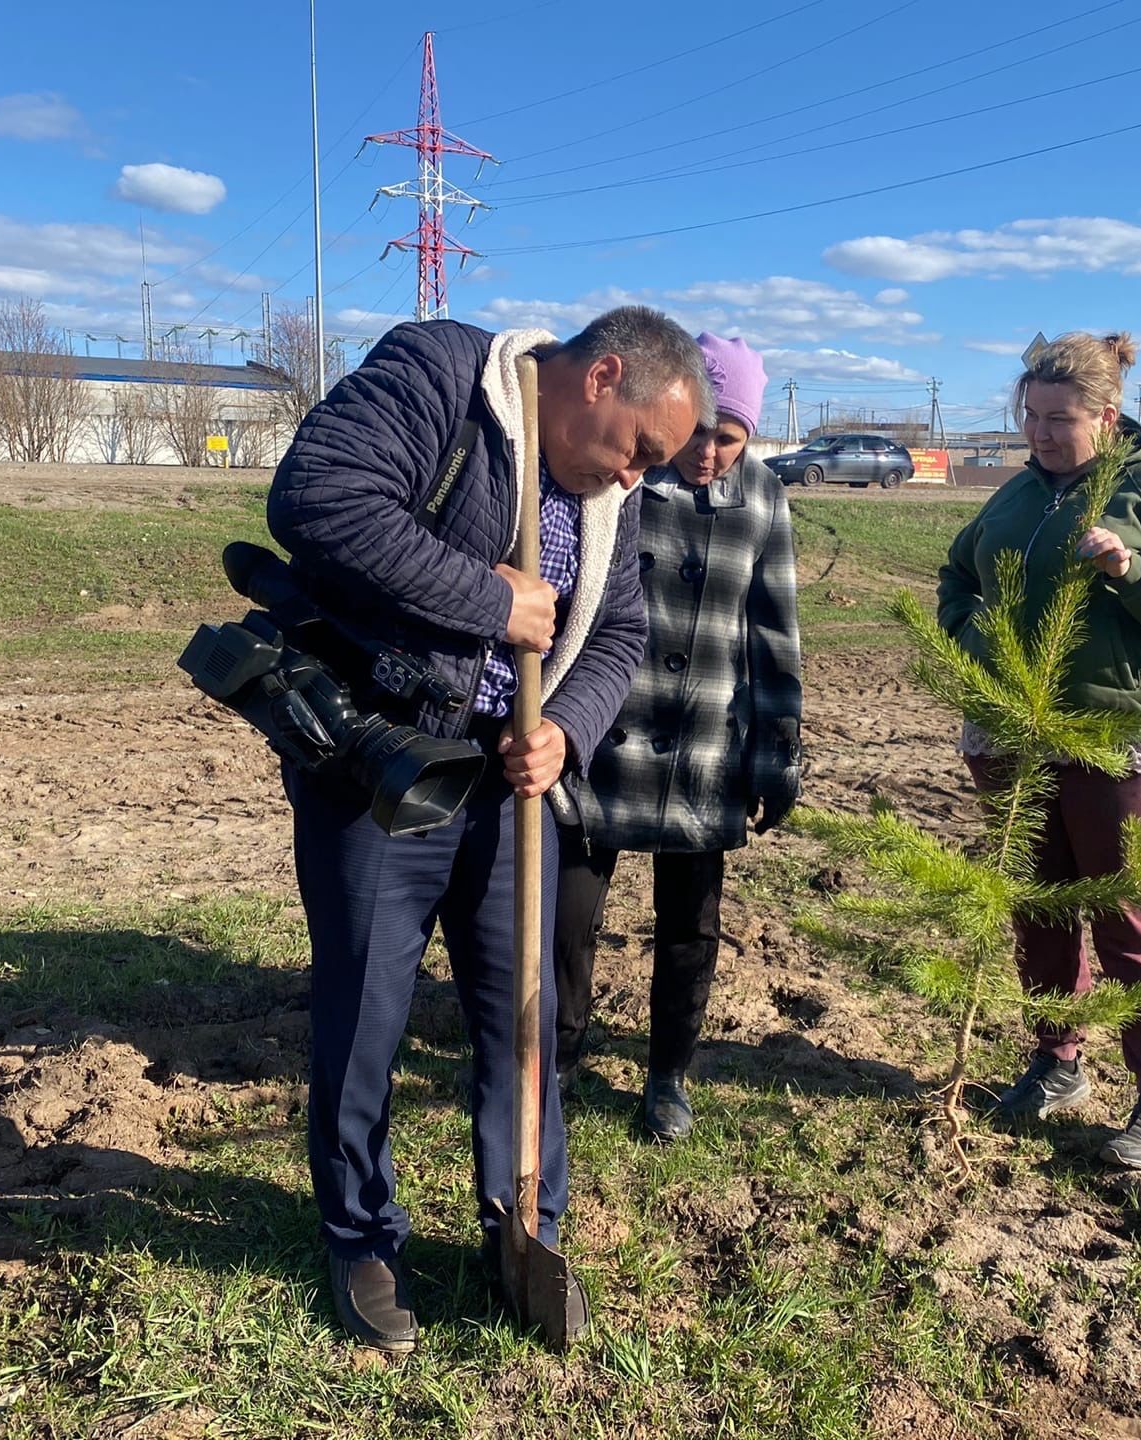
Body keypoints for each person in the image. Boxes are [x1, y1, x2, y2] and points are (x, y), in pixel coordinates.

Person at [265, 306, 713, 1351]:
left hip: (511, 792)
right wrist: (484, 599)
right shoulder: (444, 374)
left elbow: (622, 631)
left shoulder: (613, 494)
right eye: (639, 449)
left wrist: (564, 727)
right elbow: (317, 498)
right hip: (384, 768)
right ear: (601, 375)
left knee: (523, 1014)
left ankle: (526, 1221)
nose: (637, 478)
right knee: (368, 1011)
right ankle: (361, 1238)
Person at [936, 331, 1141, 1172]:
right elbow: (956, 577)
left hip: (1124, 737)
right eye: (1029, 417)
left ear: (1108, 416)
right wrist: (975, 634)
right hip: (1017, 731)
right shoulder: (1012, 497)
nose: (1040, 434)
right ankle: (1057, 1062)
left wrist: (1136, 566)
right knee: (1038, 905)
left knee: (1127, 911)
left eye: (1060, 419)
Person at [552, 333, 803, 1143]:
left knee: (691, 925)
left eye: (729, 439)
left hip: (704, 750)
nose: (708, 453)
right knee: (567, 917)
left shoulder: (763, 497)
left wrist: (776, 755)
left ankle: (669, 1076)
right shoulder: (622, 479)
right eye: (699, 434)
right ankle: (557, 1058)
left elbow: (775, 635)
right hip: (599, 742)